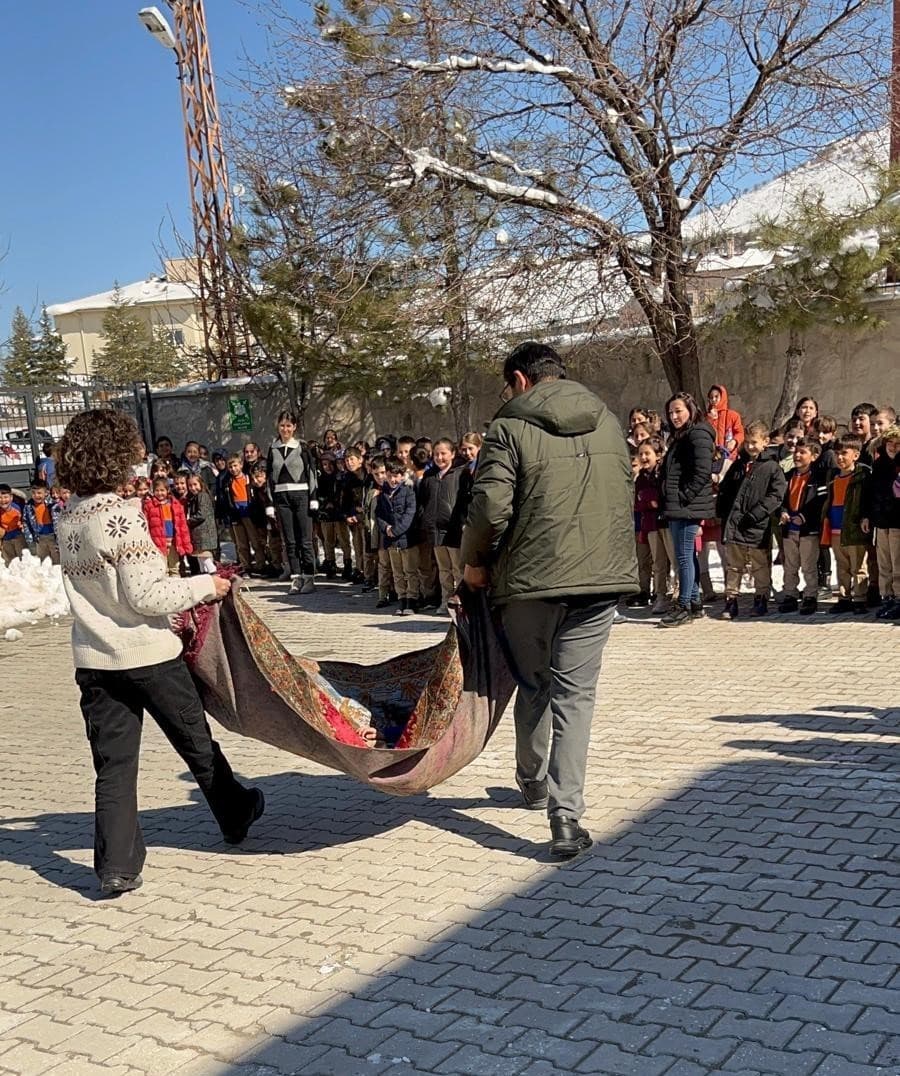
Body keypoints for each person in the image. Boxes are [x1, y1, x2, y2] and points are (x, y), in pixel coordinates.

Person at [54, 409, 264, 897]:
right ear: (116, 455)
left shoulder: (69, 520)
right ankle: (234, 817)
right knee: (196, 743)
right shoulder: (121, 517)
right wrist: (207, 585)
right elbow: (147, 595)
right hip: (147, 656)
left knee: (114, 765)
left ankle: (116, 866)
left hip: (95, 660)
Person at [461, 341, 638, 858]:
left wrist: (474, 564)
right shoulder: (608, 423)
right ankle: (566, 817)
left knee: (532, 681)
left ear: (519, 380)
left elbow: (491, 506)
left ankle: (532, 779)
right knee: (576, 696)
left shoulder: (509, 427)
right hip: (599, 579)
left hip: (530, 582)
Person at [717, 421, 786, 619]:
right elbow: (726, 489)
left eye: (754, 442)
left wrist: (757, 514)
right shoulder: (739, 464)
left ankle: (761, 597)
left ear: (765, 442)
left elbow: (776, 495)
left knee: (760, 565)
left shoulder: (772, 467)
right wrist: (723, 511)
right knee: (734, 565)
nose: (750, 446)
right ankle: (731, 600)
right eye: (747, 442)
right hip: (736, 522)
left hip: (758, 524)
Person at [657, 393, 715, 628]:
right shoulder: (681, 436)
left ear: (690, 409)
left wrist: (684, 497)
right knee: (686, 554)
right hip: (677, 507)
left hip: (687, 507)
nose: (674, 416)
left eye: (678, 410)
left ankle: (683, 605)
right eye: (671, 412)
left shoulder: (698, 433)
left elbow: (702, 471)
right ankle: (693, 601)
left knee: (683, 556)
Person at [266, 411, 318, 595]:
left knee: (305, 539)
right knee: (290, 541)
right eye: (282, 425)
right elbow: (269, 477)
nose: (285, 429)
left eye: (289, 425)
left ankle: (309, 576)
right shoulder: (273, 449)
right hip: (282, 497)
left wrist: (313, 497)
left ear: (294, 427)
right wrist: (270, 502)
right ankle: (296, 577)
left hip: (301, 495)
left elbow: (311, 472)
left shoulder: (302, 448)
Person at [419, 438, 470, 615]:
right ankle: (445, 601)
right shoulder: (429, 476)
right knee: (443, 570)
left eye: (443, 454)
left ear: (452, 454)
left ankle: (462, 603)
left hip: (454, 529)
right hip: (435, 530)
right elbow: (423, 501)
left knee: (458, 569)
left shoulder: (460, 474)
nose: (439, 458)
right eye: (436, 454)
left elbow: (465, 501)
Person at [778, 438, 827, 615]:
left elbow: (820, 501)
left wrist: (804, 517)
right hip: (789, 528)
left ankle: (810, 596)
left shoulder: (818, 478)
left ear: (814, 456)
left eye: (803, 452)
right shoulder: (787, 475)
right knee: (790, 565)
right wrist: (783, 511)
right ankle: (790, 594)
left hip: (808, 530)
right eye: (796, 452)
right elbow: (780, 498)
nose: (797, 455)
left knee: (808, 565)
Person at [821, 434, 869, 614]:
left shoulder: (861, 477)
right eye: (837, 454)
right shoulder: (832, 477)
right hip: (835, 529)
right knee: (842, 566)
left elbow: (866, 501)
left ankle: (860, 598)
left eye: (844, 453)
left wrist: (864, 517)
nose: (840, 458)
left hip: (854, 529)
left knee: (858, 566)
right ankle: (844, 597)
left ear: (855, 455)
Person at [862, 424, 900, 618]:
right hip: (881, 520)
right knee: (884, 562)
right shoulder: (879, 465)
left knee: (898, 562)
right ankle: (888, 597)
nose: (893, 448)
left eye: (897, 444)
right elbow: (870, 492)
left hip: (897, 522)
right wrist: (867, 515)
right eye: (890, 444)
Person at [375, 456, 417, 615]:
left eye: (396, 475)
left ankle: (412, 600)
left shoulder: (408, 492)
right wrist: (386, 528)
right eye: (390, 475)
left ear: (402, 475)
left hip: (406, 539)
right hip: (390, 540)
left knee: (409, 571)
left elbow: (409, 514)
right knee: (397, 571)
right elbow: (378, 514)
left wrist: (396, 530)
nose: (393, 479)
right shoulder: (383, 493)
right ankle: (401, 597)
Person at [633, 436, 670, 614]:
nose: (644, 457)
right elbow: (639, 501)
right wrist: (649, 500)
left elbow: (664, 497)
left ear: (658, 454)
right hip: (651, 526)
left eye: (647, 453)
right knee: (658, 563)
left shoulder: (665, 473)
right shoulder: (641, 478)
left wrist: (651, 499)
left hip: (668, 523)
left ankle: (683, 596)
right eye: (641, 454)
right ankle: (660, 595)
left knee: (677, 562)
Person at [143, 476, 193, 575]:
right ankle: (165, 588)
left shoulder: (175, 504)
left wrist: (186, 543)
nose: (160, 493)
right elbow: (146, 524)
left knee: (174, 567)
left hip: (174, 542)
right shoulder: (149, 505)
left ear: (168, 490)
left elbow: (182, 526)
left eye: (162, 490)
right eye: (157, 490)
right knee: (162, 569)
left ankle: (177, 587)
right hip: (158, 543)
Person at [224, 455, 263, 576]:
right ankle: (246, 567)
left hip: (249, 513)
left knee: (255, 541)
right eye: (230, 466)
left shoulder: (248, 478)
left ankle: (260, 565)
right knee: (241, 544)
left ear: (241, 465)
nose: (233, 469)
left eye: (235, 465)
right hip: (236, 514)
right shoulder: (228, 482)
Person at [341, 447, 367, 584]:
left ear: (360, 460)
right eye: (347, 460)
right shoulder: (347, 478)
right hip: (353, 517)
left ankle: (368, 571)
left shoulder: (366, 476)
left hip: (365, 517)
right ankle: (359, 569)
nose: (349, 463)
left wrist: (360, 514)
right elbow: (345, 499)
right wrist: (347, 515)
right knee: (357, 544)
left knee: (366, 545)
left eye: (352, 459)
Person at [184, 473, 218, 575]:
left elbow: (201, 514)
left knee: (206, 559)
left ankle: (214, 575)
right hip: (199, 534)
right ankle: (204, 577)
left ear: (201, 484)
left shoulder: (202, 496)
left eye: (195, 484)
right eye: (190, 486)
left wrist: (188, 522)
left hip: (204, 534)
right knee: (201, 559)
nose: (193, 488)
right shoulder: (194, 498)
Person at [23, 479, 60, 564]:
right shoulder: (28, 507)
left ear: (46, 493)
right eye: (33, 493)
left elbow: (59, 520)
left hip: (53, 537)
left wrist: (59, 537)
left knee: (57, 560)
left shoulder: (53, 504)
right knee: (43, 562)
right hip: (39, 538)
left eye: (39, 493)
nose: (36, 495)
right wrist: (29, 537)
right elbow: (26, 522)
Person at [706, 384, 744, 460]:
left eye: (716, 396)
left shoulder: (733, 415)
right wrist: (710, 419)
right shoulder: (706, 417)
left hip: (730, 456)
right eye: (711, 397)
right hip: (712, 456)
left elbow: (740, 433)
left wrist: (734, 441)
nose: (713, 399)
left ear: (722, 397)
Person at [0, 484, 26, 566]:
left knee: (23, 559)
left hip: (18, 536)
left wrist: (11, 490)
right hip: (6, 539)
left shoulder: (18, 507)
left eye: (5, 497)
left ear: (11, 497)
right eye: (0, 498)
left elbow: (23, 495)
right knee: (9, 562)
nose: (3, 500)